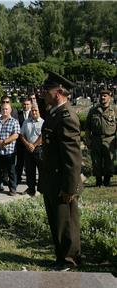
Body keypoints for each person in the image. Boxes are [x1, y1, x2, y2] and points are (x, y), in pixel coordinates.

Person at [38, 71, 82, 270]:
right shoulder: (54, 113)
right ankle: (61, 257)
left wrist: (70, 188)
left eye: (46, 90)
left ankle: (69, 260)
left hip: (62, 180)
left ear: (58, 93)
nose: (43, 93)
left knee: (67, 222)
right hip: (52, 178)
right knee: (57, 221)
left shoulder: (66, 116)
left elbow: (72, 157)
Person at [85, 89, 115, 187]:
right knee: (96, 161)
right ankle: (98, 181)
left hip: (109, 139)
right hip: (96, 139)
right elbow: (87, 127)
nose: (102, 97)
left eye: (105, 96)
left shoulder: (114, 110)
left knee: (109, 160)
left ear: (110, 97)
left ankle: (107, 181)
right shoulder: (93, 110)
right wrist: (88, 139)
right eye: (101, 96)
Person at [0, 103, 21, 195]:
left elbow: (16, 135)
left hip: (9, 151)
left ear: (10, 110)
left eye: (6, 109)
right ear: (0, 110)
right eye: (3, 109)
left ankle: (12, 189)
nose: (4, 111)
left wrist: (4, 142)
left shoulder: (14, 121)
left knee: (11, 171)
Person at [19, 106, 44, 196]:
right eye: (32, 111)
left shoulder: (43, 122)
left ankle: (41, 189)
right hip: (28, 149)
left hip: (39, 149)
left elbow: (43, 136)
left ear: (39, 111)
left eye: (35, 110)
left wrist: (34, 145)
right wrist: (27, 144)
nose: (34, 112)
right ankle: (31, 189)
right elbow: (21, 135)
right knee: (29, 170)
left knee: (41, 170)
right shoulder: (26, 122)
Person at [16, 98, 32, 184]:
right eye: (24, 104)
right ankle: (18, 178)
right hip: (20, 141)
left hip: (30, 141)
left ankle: (29, 180)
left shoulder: (33, 113)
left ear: (31, 105)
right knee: (19, 161)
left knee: (29, 163)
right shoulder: (18, 114)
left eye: (27, 104)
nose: (26, 106)